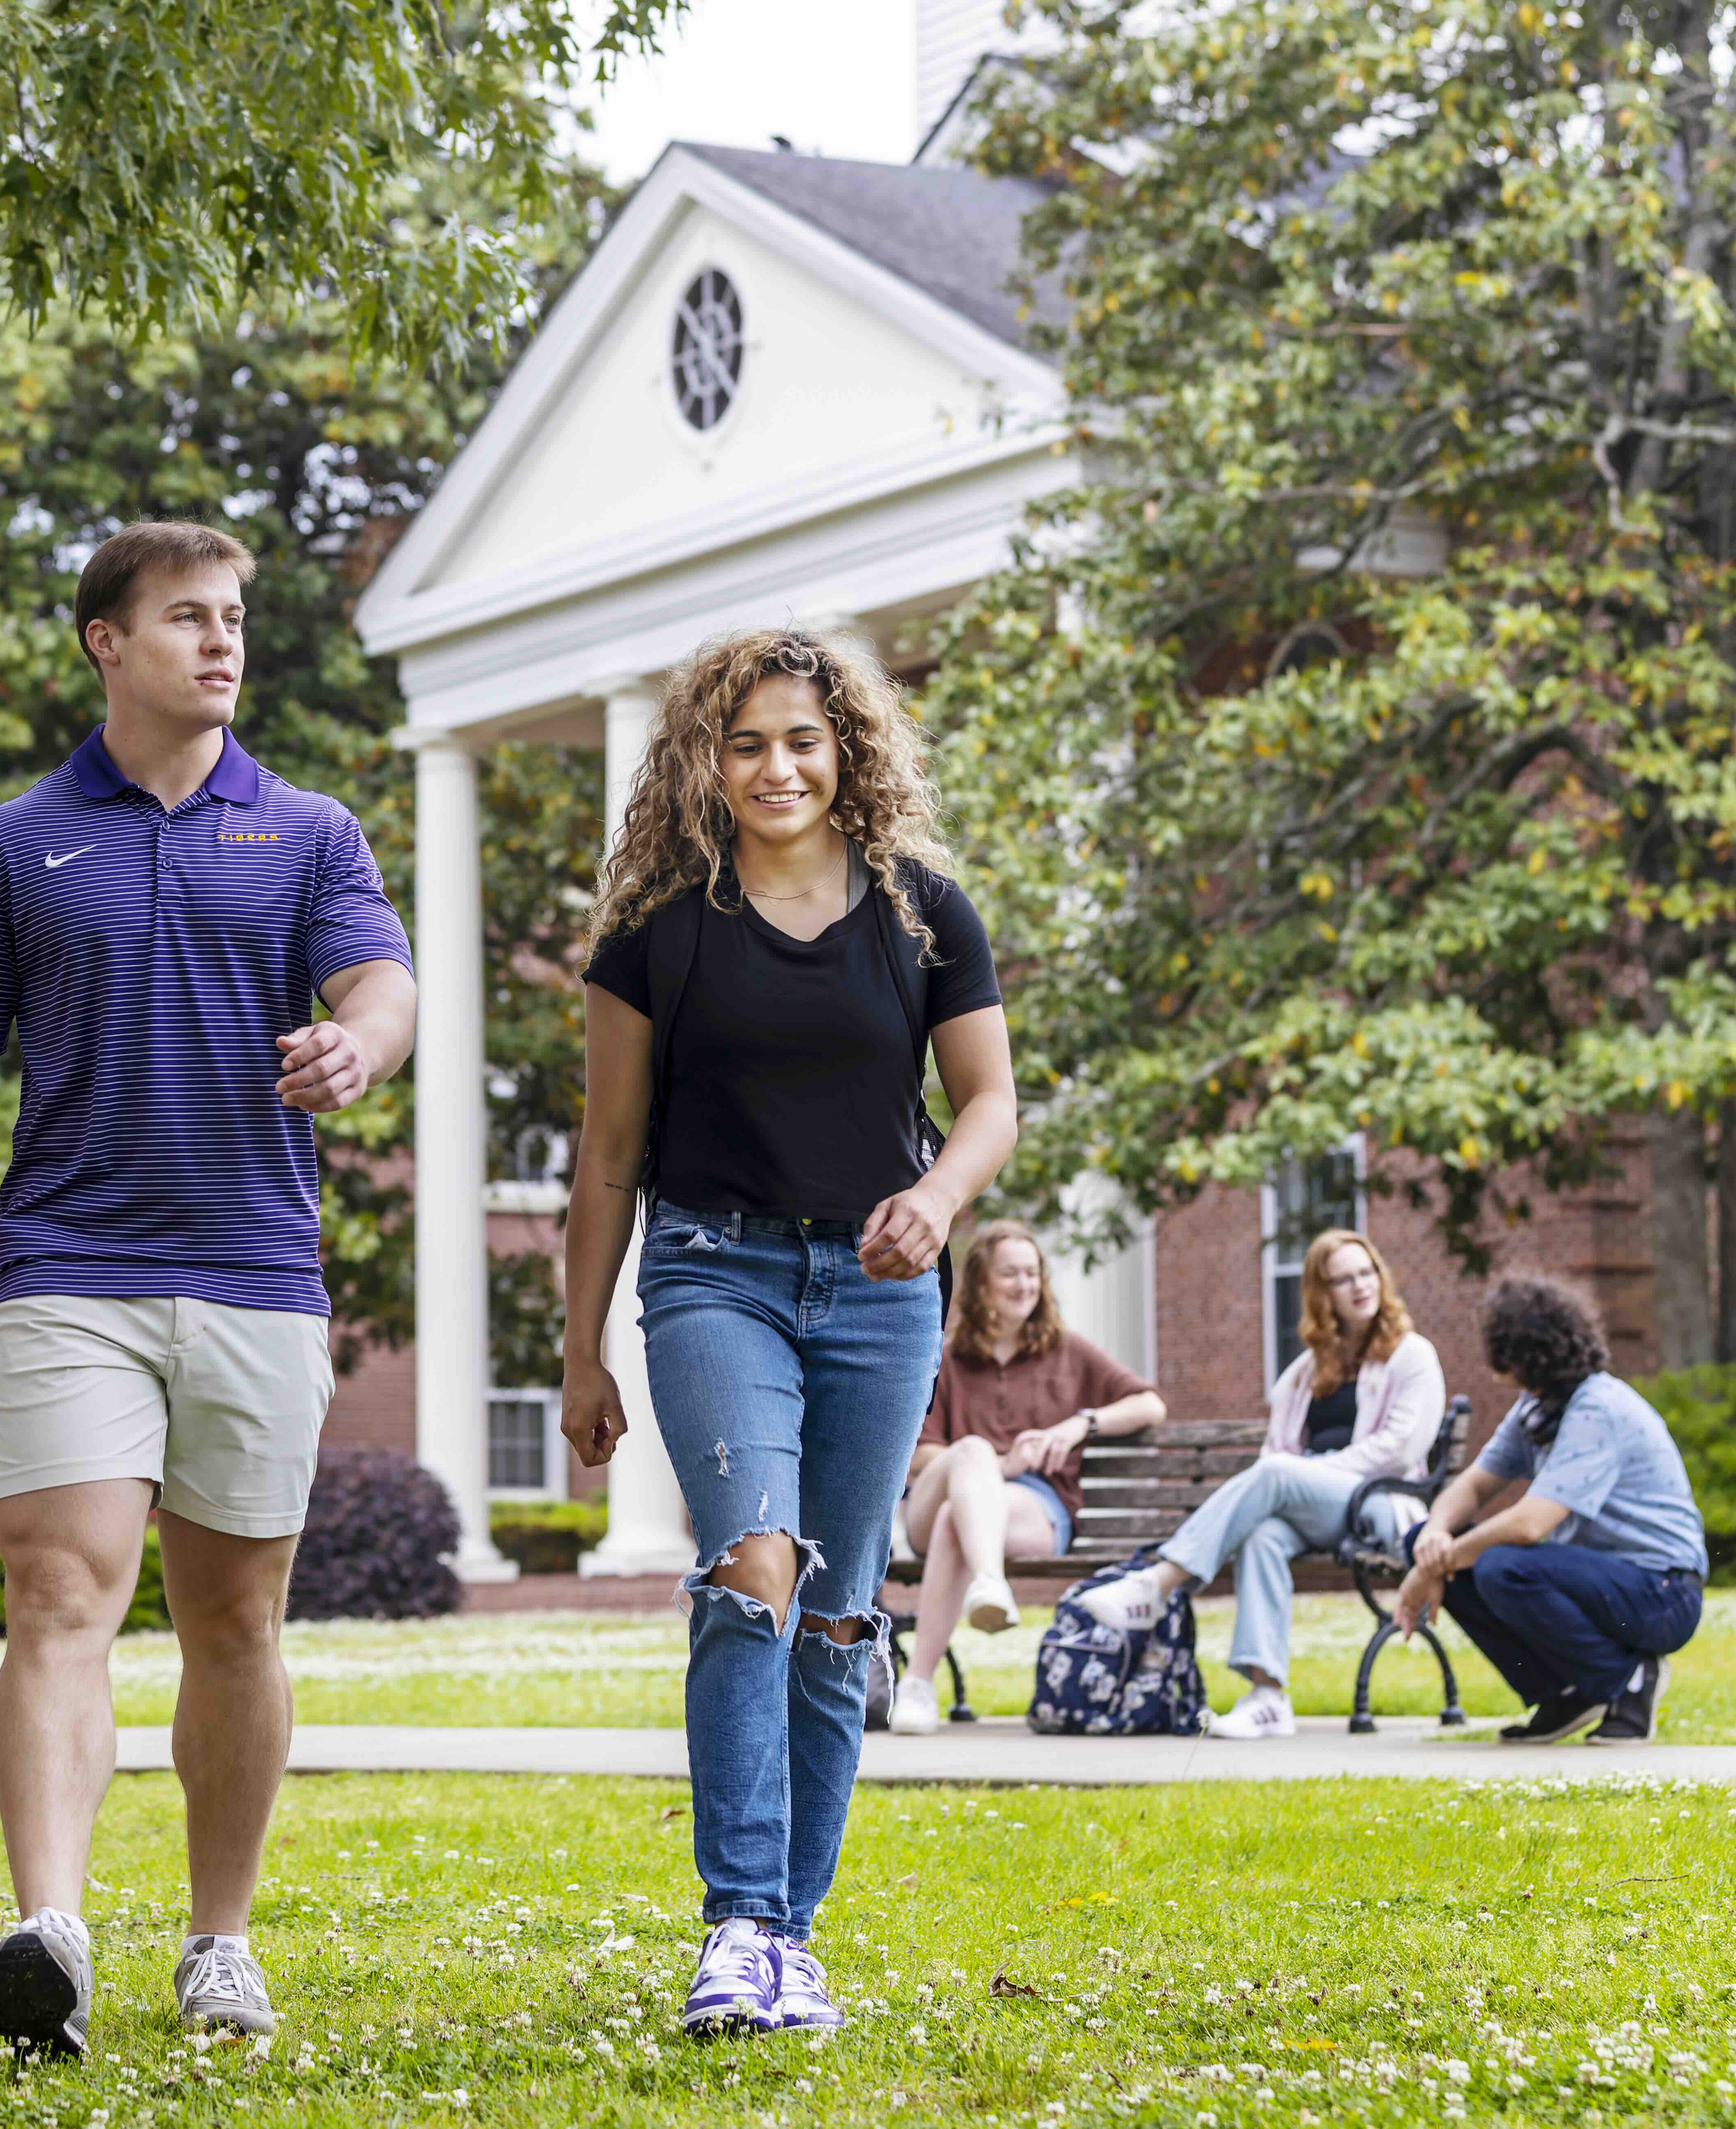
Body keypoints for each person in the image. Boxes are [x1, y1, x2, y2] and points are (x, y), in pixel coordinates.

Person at [0, 521, 417, 2055]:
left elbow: (379, 981)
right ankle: (49, 1930)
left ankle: (218, 1939)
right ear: (102, 643)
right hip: (70, 1269)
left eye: (233, 616)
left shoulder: (307, 829)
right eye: (186, 616)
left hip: (256, 1272)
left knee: (236, 1618)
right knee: (58, 1591)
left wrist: (363, 1044)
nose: (220, 641)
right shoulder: (11, 845)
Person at [564, 627, 1018, 2038]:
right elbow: (606, 1153)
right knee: (752, 1566)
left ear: (847, 753)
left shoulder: (925, 914)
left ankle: (793, 1941)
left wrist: (938, 1200)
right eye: (747, 741)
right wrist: (579, 1347)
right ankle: (736, 1927)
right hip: (715, 1272)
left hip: (881, 1298)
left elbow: (990, 1104)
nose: (776, 766)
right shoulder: (655, 936)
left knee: (836, 1618)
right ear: (707, 758)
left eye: (802, 740)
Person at [1074, 1228, 1444, 1738]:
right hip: (1316, 1510)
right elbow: (1279, 1450)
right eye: (1343, 1279)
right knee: (1263, 1534)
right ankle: (1267, 1696)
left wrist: (1309, 1471)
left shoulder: (1412, 1356)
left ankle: (1158, 1584)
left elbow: (1398, 1450)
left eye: (1366, 1273)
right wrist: (1298, 1474)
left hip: (1380, 1503)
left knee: (1275, 1475)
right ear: (1323, 1293)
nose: (1360, 1286)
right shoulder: (1304, 1372)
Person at [1394, 1273, 1707, 1745]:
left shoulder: (1596, 1409)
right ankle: (1565, 1692)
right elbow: (1474, 1485)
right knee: (1424, 1541)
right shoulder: (1536, 1408)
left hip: (1661, 1593)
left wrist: (1436, 1565)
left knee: (1499, 1565)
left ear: (1524, 1353)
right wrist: (1433, 1538)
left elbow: (1529, 1523)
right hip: (1601, 1582)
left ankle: (1628, 1680)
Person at [889, 1223, 1163, 1734]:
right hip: (936, 1497)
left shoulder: (1067, 1351)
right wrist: (995, 1466)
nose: (1023, 1284)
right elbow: (920, 1455)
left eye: (1031, 1272)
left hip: (1034, 1508)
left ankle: (918, 1687)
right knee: (968, 1457)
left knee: (958, 1517)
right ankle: (988, 1581)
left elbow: (1150, 1403)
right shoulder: (945, 1357)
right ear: (981, 1285)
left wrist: (1082, 1422)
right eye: (1009, 1273)